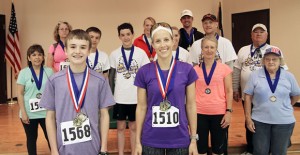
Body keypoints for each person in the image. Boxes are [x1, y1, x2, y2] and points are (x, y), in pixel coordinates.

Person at [40, 29, 115, 155]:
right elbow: (50, 117)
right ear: (66, 51)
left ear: (89, 50)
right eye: (73, 47)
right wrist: (53, 150)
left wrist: (104, 148)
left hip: (93, 148)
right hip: (64, 149)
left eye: (83, 47)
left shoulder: (100, 81)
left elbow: (104, 115)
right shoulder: (54, 80)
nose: (78, 51)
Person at [134, 22, 198, 155]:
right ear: (153, 45)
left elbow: (191, 105)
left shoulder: (187, 70)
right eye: (158, 41)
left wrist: (193, 140)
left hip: (179, 139)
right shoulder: (144, 72)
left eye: (166, 40)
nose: (163, 45)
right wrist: (137, 142)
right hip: (151, 140)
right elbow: (141, 107)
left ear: (173, 41)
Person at [232, 23, 288, 155]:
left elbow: (284, 72)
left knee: (266, 122)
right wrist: (235, 88)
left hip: (267, 95)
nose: (258, 34)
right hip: (248, 94)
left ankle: (268, 148)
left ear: (266, 35)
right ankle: (251, 149)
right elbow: (236, 71)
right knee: (249, 120)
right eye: (255, 32)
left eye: (261, 32)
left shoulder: (275, 50)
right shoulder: (243, 50)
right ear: (251, 35)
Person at [244, 47, 300, 155]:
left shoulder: (289, 76)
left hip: (284, 122)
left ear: (280, 61)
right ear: (263, 60)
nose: (271, 62)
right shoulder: (255, 75)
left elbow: (296, 95)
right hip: (260, 121)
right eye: (267, 59)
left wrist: (285, 105)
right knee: (260, 152)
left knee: (279, 152)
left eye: (274, 59)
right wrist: (248, 118)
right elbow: (247, 97)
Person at [109, 23, 150, 155]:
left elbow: (146, 76)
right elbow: (111, 77)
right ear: (119, 37)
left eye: (128, 34)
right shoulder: (114, 54)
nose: (126, 37)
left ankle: (134, 152)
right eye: (122, 35)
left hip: (136, 97)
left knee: (133, 127)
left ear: (132, 35)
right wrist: (110, 96)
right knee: (120, 127)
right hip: (120, 97)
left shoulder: (141, 53)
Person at [194, 36, 233, 154]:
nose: (209, 50)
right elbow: (190, 93)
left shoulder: (224, 69)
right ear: (201, 49)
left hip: (219, 113)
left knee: (218, 149)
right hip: (199, 113)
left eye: (212, 47)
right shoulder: (194, 70)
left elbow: (229, 90)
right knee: (200, 149)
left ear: (216, 49)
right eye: (206, 47)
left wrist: (229, 112)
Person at [17, 44, 53, 155]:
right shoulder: (23, 73)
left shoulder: (50, 71)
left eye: (40, 54)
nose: (37, 57)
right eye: (34, 55)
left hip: (46, 113)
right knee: (31, 139)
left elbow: (54, 92)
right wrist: (23, 112)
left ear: (43, 57)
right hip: (29, 113)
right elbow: (19, 93)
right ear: (29, 58)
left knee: (51, 138)